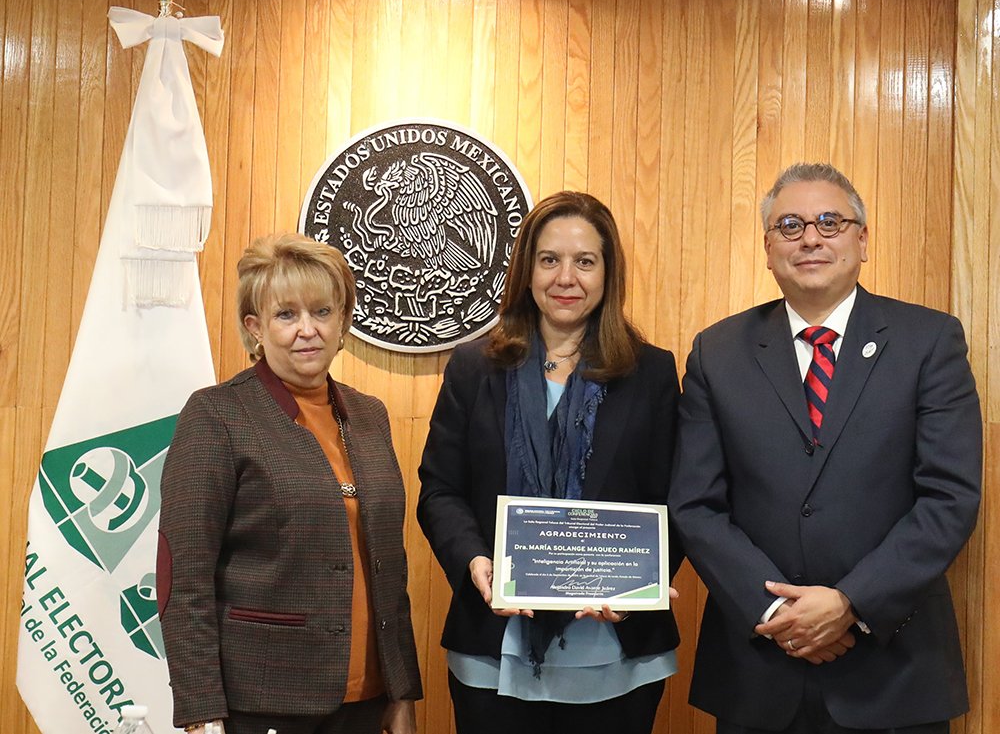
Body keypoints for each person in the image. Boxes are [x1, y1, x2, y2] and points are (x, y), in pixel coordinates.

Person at [669, 163, 982, 734]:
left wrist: (851, 603)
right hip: (760, 667)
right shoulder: (717, 352)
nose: (810, 238)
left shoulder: (929, 341)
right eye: (790, 225)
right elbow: (695, 504)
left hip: (894, 671)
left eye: (830, 222)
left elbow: (949, 497)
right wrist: (778, 612)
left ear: (863, 241)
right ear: (768, 249)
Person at [417, 191, 683, 734]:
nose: (566, 277)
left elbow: (674, 498)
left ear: (608, 273)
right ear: (527, 270)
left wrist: (640, 584)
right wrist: (474, 561)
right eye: (549, 260)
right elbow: (440, 489)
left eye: (585, 261)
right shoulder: (473, 368)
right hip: (494, 647)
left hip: (616, 650)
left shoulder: (651, 372)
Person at [157, 233, 422, 734]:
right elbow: (184, 577)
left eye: (322, 312)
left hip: (369, 700)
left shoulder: (370, 416)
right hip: (262, 702)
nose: (308, 330)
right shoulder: (217, 415)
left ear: (342, 321)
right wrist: (201, 710)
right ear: (255, 327)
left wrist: (401, 690)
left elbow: (389, 568)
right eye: (286, 314)